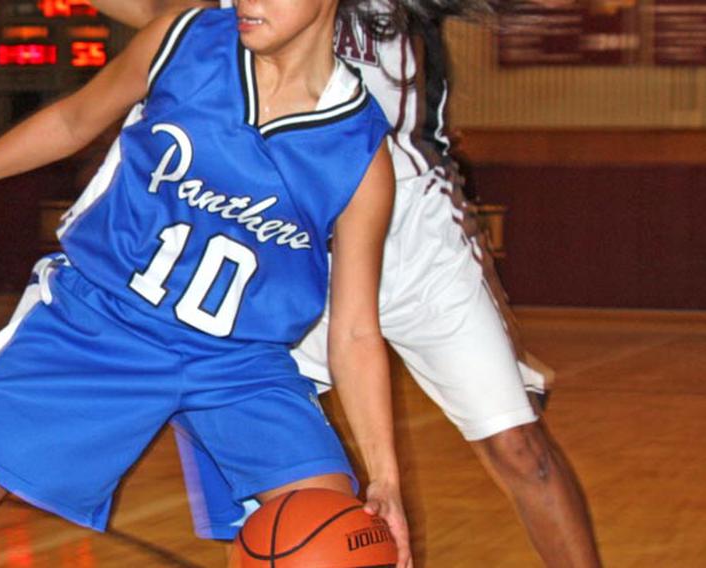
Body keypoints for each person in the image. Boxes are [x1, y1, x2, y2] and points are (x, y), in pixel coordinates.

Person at [0, 2, 412, 567]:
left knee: (332, 547)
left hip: (241, 364)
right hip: (100, 323)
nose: (248, 2)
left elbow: (357, 329)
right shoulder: (184, 39)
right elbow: (73, 121)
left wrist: (384, 476)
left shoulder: (360, 151)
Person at [93, 0, 601, 566]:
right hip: (286, 255)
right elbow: (149, 11)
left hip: (417, 242)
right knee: (278, 511)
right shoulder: (247, 11)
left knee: (519, 450)